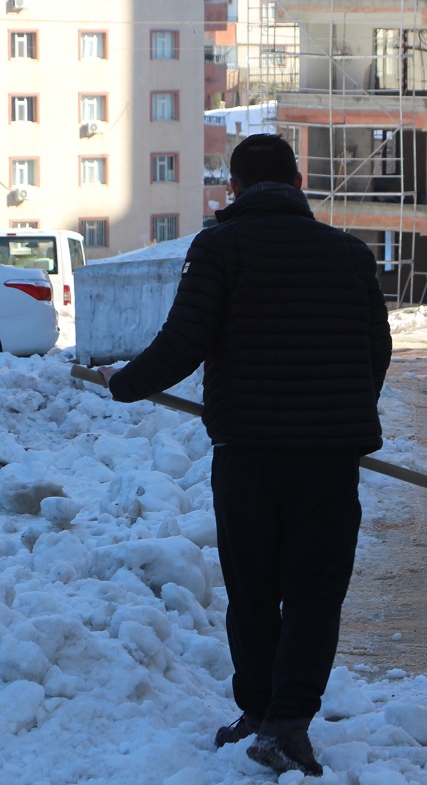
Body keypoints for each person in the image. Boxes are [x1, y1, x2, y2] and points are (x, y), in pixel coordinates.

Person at [100, 133, 392, 776]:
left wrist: (123, 383)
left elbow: (183, 342)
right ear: (298, 181)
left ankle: (261, 713)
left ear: (233, 188)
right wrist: (339, 413)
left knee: (254, 590)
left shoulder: (221, 247)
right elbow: (378, 351)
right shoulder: (348, 254)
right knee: (316, 595)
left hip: (249, 456)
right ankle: (286, 722)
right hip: (327, 461)